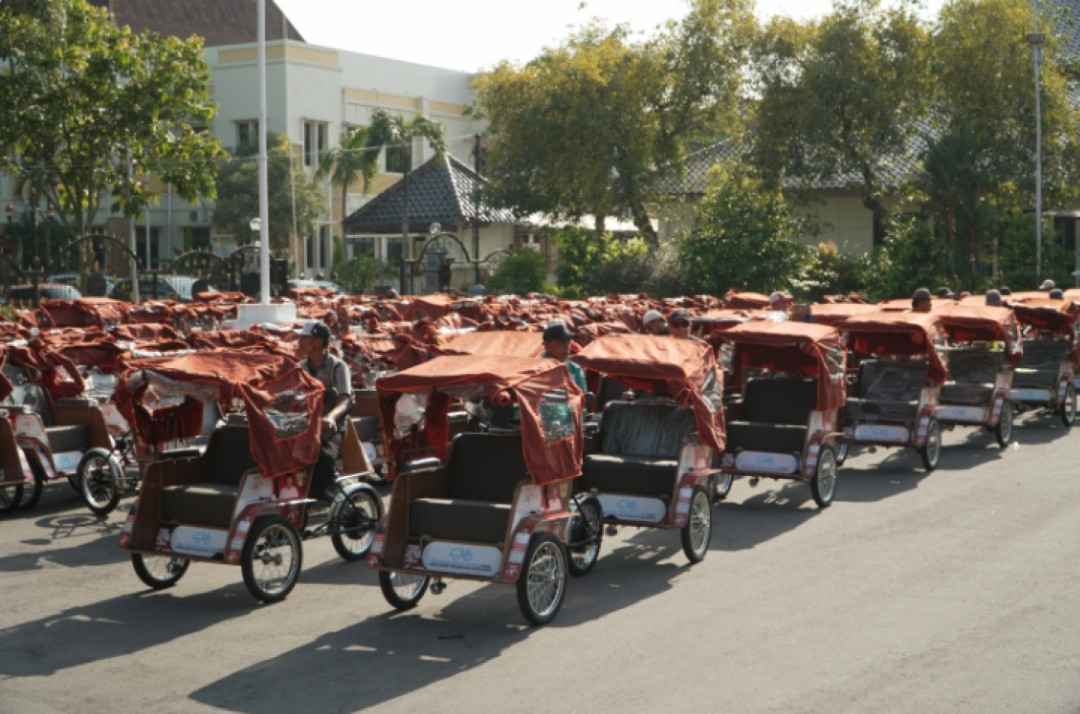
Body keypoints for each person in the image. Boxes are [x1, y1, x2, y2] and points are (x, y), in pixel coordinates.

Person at [297, 320, 352, 501]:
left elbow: (345, 399)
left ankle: (321, 495)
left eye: (304, 338)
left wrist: (331, 417)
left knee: (324, 457)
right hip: (306, 422)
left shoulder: (338, 366)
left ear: (318, 342)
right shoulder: (301, 368)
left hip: (331, 423)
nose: (299, 341)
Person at [542, 320, 587, 394]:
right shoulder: (534, 370)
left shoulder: (575, 370)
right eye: (560, 342)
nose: (567, 347)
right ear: (547, 345)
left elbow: (583, 400)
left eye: (568, 342)